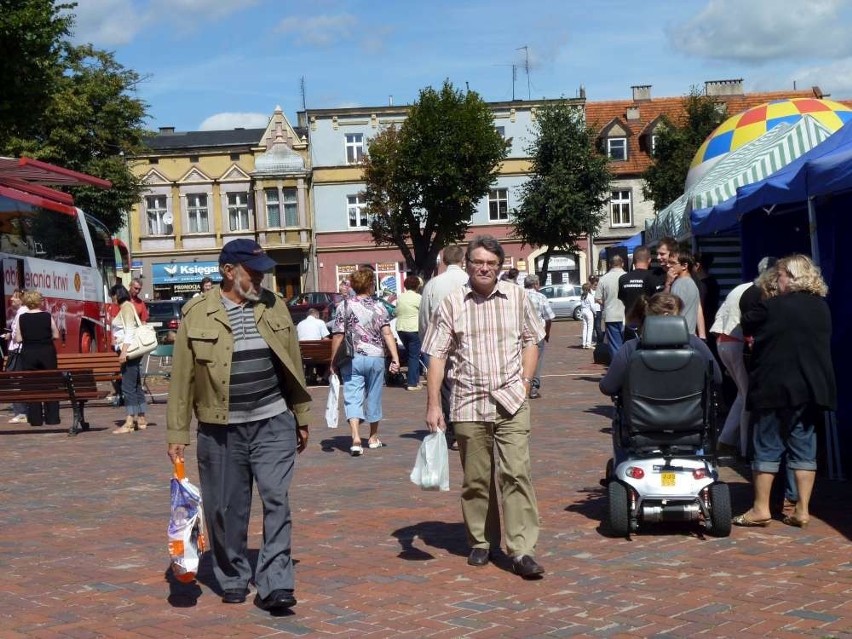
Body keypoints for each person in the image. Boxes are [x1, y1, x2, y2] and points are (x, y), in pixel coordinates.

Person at [166, 238, 312, 612]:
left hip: (272, 420)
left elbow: (292, 363)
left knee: (277, 500)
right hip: (220, 428)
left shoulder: (274, 306)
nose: (261, 278)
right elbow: (182, 380)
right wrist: (177, 434)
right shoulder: (196, 313)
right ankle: (232, 575)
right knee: (226, 508)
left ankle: (276, 583)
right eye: (253, 271)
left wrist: (301, 415)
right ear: (229, 272)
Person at [422, 235, 546, 579]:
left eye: (491, 263)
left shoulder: (517, 297)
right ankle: (481, 540)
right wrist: (434, 403)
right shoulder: (451, 303)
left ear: (500, 266)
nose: (484, 268)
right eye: (478, 262)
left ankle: (521, 549)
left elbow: (532, 340)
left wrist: (524, 383)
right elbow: (436, 354)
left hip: (511, 401)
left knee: (516, 473)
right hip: (467, 402)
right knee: (476, 479)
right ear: (467, 265)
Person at [733, 255, 835, 529]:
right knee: (804, 447)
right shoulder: (821, 307)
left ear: (789, 277)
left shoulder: (772, 307)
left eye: (779, 276)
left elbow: (747, 321)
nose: (777, 281)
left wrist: (767, 294)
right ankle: (802, 509)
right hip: (811, 387)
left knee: (766, 446)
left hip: (774, 386)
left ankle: (761, 508)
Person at [599, 293, 722, 468]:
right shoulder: (696, 346)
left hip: (641, 429)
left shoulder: (631, 349)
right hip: (690, 426)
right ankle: (699, 461)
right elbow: (716, 378)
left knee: (619, 418)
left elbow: (608, 386)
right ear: (669, 317)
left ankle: (622, 466)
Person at [330, 267, 400, 456]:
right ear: (371, 285)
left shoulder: (343, 306)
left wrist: (332, 361)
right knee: (374, 396)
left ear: (352, 284)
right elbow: (387, 333)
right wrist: (395, 357)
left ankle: (355, 438)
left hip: (352, 358)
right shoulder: (379, 307)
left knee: (352, 396)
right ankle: (373, 436)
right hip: (375, 356)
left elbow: (338, 335)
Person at [418, 244, 469, 450]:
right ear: (463, 260)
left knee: (446, 386)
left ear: (444, 261)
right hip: (468, 341)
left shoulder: (433, 284)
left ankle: (454, 431)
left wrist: (425, 342)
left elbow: (424, 317)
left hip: (440, 343)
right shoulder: (469, 280)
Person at [16, 290, 61, 426]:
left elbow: (18, 338)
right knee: (51, 384)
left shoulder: (22, 318)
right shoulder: (47, 316)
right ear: (38, 302)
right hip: (46, 352)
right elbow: (57, 335)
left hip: (29, 353)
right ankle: (52, 418)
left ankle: (35, 419)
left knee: (32, 386)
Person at [110, 284, 148, 433]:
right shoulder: (129, 306)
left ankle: (129, 421)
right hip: (133, 351)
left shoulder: (126, 307)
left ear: (117, 295)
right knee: (136, 384)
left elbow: (130, 330)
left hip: (130, 351)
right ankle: (142, 417)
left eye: (112, 295)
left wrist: (123, 352)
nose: (111, 298)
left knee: (127, 386)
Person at [618, 246, 659, 341]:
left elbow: (623, 299)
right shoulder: (653, 277)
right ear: (649, 260)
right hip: (649, 324)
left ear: (634, 260)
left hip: (630, 323)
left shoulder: (623, 279)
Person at [523, 274, 554, 399]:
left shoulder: (518, 295)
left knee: (520, 359)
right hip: (537, 332)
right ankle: (534, 387)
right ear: (535, 284)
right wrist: (547, 332)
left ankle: (522, 384)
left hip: (520, 332)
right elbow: (549, 317)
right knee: (537, 359)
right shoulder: (541, 297)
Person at [667, 250, 706, 339]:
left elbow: (671, 309)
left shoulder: (681, 284)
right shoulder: (691, 283)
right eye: (668, 262)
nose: (669, 266)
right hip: (689, 335)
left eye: (672, 263)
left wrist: (668, 283)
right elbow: (698, 309)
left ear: (684, 266)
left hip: (679, 336)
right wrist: (702, 336)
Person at [395, 274, 423, 391]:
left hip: (401, 328)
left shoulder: (400, 297)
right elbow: (424, 313)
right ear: (417, 286)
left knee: (411, 354)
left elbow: (396, 312)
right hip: (413, 328)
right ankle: (412, 383)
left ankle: (415, 379)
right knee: (414, 356)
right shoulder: (419, 298)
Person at [5, 290, 29, 422]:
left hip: (17, 352)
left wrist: (11, 336)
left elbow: (18, 335)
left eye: (14, 297)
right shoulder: (22, 312)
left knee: (15, 380)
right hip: (17, 350)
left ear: (21, 300)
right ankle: (22, 410)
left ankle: (21, 412)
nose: (11, 299)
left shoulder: (22, 313)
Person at [596, 255, 626, 358]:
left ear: (609, 265)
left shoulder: (603, 279)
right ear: (622, 263)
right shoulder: (627, 276)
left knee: (614, 345)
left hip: (610, 315)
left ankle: (617, 369)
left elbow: (598, 298)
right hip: (626, 315)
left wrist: (606, 303)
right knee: (628, 344)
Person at [297, 308, 331, 385]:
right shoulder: (320, 322)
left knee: (312, 354)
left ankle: (310, 377)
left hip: (303, 354)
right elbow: (326, 339)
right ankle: (325, 378)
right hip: (317, 355)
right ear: (316, 315)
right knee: (332, 354)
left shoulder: (300, 324)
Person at [579, 282, 596, 349]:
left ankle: (584, 343)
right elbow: (592, 306)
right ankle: (588, 344)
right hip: (589, 312)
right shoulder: (590, 296)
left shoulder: (582, 296)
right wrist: (595, 313)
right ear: (589, 288)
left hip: (583, 311)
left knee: (585, 328)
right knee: (590, 328)